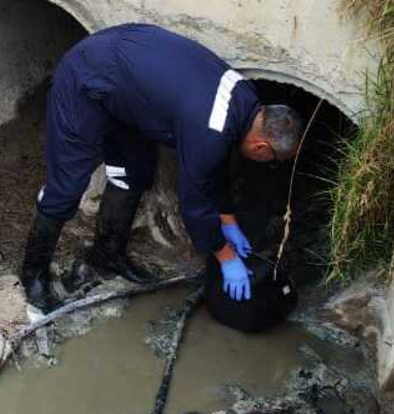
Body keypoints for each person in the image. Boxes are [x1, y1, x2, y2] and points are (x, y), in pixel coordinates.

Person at [20, 23, 306, 312]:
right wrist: (226, 256)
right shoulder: (211, 128)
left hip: (126, 83)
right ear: (261, 147)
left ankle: (106, 255)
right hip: (86, 77)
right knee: (66, 187)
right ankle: (33, 275)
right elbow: (194, 205)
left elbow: (212, 166)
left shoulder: (246, 101)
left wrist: (228, 220)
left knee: (133, 172)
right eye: (274, 160)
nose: (270, 165)